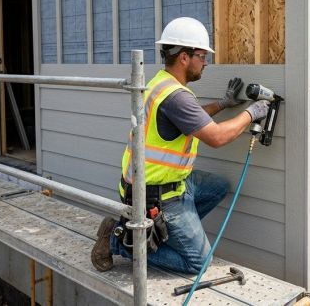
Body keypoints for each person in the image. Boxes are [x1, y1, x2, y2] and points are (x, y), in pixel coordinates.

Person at [90, 17, 271, 274]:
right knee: (199, 263)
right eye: (201, 55)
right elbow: (217, 137)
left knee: (218, 187)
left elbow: (189, 118)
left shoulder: (161, 84)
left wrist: (223, 104)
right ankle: (118, 242)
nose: (205, 62)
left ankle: (164, 232)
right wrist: (252, 113)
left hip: (164, 183)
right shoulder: (175, 97)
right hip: (157, 195)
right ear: (184, 57)